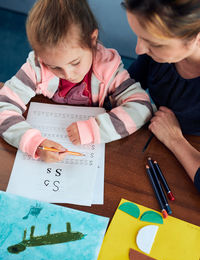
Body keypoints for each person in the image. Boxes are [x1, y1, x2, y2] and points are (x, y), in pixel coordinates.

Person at [0, 0, 153, 163]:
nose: (68, 75)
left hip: (102, 151)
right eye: (55, 67)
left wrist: (95, 130)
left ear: (92, 39)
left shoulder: (109, 69)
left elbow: (141, 106)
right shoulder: (38, 66)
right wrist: (36, 144)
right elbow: (3, 108)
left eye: (75, 63)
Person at [121, 0, 200, 192]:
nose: (138, 50)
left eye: (154, 43)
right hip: (151, 142)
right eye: (139, 36)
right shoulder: (156, 55)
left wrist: (174, 139)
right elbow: (128, 87)